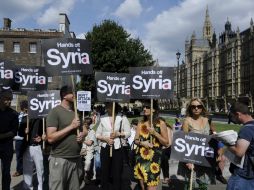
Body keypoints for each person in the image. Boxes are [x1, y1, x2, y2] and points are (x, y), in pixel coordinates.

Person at [46, 85, 87, 190]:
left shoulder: (75, 112)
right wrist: (71, 127)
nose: (75, 95)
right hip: (60, 159)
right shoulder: (55, 112)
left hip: (76, 158)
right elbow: (50, 137)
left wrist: (82, 135)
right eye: (72, 92)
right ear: (64, 95)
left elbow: (85, 130)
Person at [177, 97, 216, 189]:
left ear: (202, 107)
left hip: (204, 158)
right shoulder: (187, 121)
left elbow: (214, 136)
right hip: (191, 158)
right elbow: (183, 141)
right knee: (191, 185)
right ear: (190, 108)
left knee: (203, 185)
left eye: (199, 106)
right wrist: (188, 160)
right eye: (193, 106)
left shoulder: (208, 120)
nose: (196, 108)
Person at [133, 100, 169, 190]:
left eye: (147, 107)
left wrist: (155, 133)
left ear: (154, 109)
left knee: (151, 185)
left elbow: (166, 142)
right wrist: (142, 143)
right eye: (144, 107)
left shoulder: (161, 123)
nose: (144, 109)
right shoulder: (141, 123)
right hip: (140, 157)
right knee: (143, 186)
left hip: (155, 159)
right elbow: (135, 140)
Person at [96, 102, 131, 190]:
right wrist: (106, 139)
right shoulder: (102, 117)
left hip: (117, 148)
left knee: (117, 173)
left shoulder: (122, 117)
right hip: (105, 147)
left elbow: (128, 133)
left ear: (114, 105)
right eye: (106, 104)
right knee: (105, 172)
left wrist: (118, 134)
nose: (107, 106)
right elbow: (97, 134)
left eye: (109, 104)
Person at [225, 102, 254, 189]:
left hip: (243, 175)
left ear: (238, 114)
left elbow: (239, 152)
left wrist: (225, 142)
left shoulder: (246, 129)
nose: (233, 120)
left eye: (232, 117)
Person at [0, 87, 19, 190]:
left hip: (7, 146)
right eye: (7, 98)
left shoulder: (14, 114)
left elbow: (13, 131)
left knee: (6, 172)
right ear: (1, 98)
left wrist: (2, 136)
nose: (9, 101)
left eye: (10, 99)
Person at [22, 118, 44, 190]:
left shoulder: (42, 119)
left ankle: (41, 187)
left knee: (40, 170)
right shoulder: (25, 119)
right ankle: (28, 188)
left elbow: (46, 131)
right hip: (27, 147)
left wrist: (42, 137)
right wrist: (24, 132)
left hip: (38, 147)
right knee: (27, 171)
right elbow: (18, 132)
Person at [12, 100, 28, 177]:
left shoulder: (29, 116)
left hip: (25, 138)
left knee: (26, 155)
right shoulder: (18, 115)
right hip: (18, 139)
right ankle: (19, 170)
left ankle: (25, 169)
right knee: (18, 156)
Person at [81, 116, 96, 184]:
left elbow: (90, 143)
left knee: (87, 164)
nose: (85, 125)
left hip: (89, 150)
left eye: (86, 124)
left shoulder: (92, 131)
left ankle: (85, 176)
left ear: (89, 124)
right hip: (81, 149)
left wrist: (82, 140)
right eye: (84, 123)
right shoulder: (80, 131)